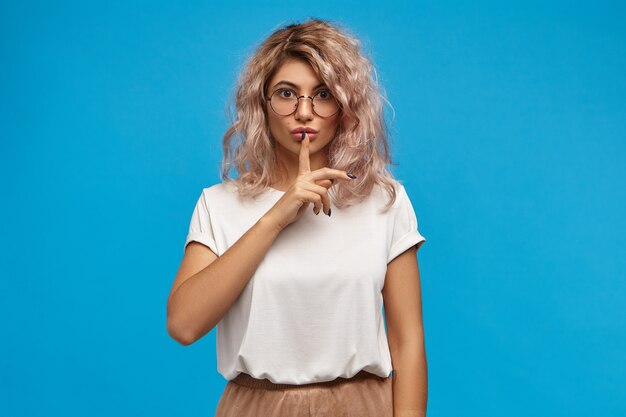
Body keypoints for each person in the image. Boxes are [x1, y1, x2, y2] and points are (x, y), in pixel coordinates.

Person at [166, 18, 428, 417]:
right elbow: (184, 325)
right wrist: (275, 217)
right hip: (256, 406)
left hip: (363, 406)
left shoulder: (384, 202)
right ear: (262, 103)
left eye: (322, 94)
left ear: (344, 107)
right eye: (287, 93)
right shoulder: (218, 205)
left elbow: (408, 344)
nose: (303, 112)